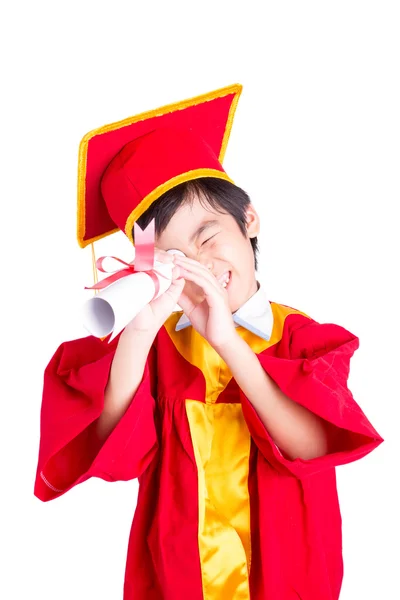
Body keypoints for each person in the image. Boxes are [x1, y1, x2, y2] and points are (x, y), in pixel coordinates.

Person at [34, 83, 384, 600]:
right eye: (172, 257)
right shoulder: (156, 350)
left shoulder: (303, 340)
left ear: (249, 220)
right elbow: (108, 440)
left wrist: (227, 341)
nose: (198, 265)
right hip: (174, 581)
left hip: (290, 578)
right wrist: (140, 327)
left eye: (207, 236)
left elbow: (309, 445)